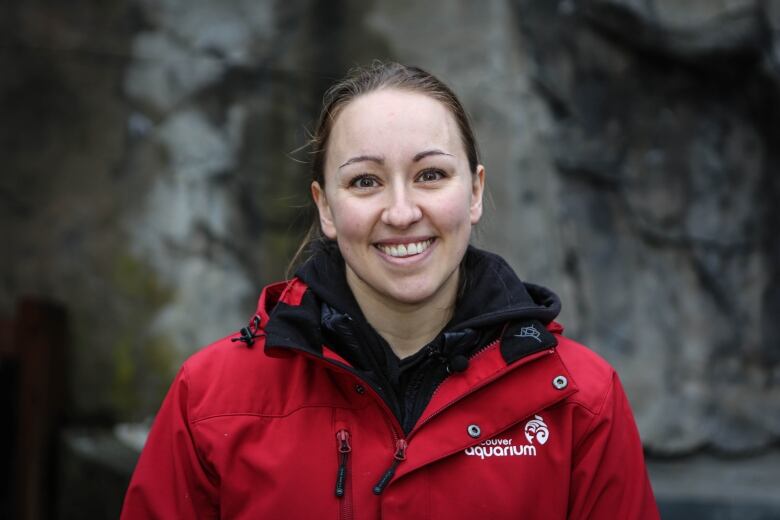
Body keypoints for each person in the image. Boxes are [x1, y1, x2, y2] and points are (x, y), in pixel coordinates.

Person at [121, 61, 659, 519]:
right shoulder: (211, 400)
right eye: (365, 181)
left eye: (430, 175)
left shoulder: (580, 402)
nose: (402, 213)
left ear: (474, 192)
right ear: (326, 207)